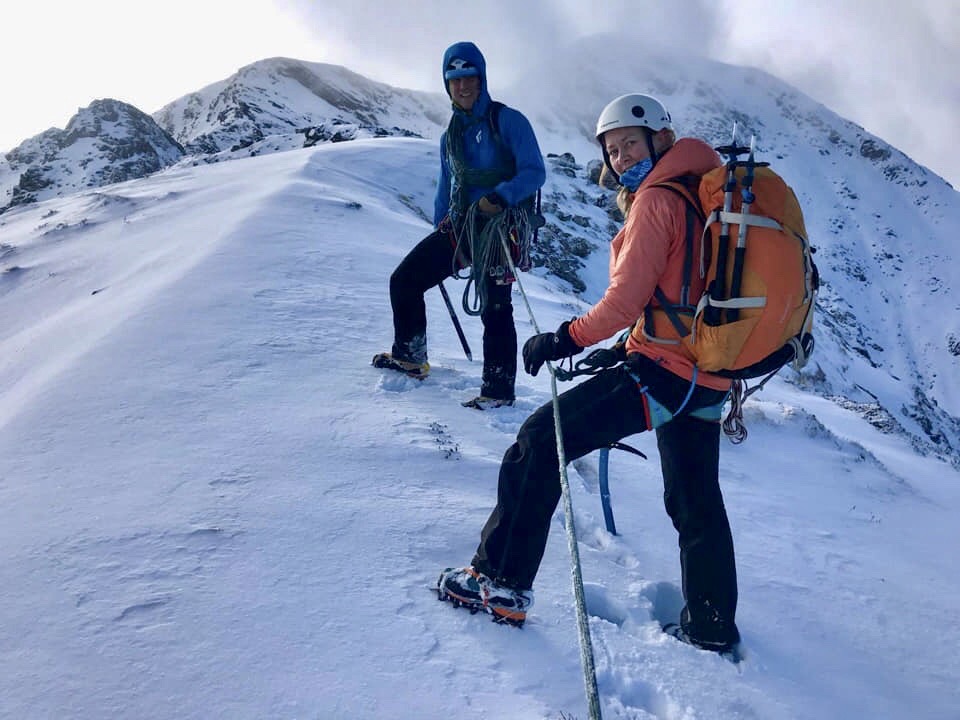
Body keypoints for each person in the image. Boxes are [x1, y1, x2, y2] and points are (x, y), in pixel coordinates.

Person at [437, 93, 742, 655]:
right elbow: (679, 288)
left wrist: (565, 339)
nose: (623, 158)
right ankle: (712, 623)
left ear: (660, 139)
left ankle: (500, 583)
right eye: (613, 150)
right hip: (709, 373)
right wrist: (625, 347)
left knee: (537, 441)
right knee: (695, 500)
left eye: (630, 144)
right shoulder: (703, 190)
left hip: (666, 374)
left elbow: (624, 299)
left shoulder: (656, 201)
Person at [372, 41, 546, 409]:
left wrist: (499, 197)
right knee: (405, 280)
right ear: (446, 85)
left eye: (469, 78)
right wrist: (440, 228)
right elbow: (446, 186)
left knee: (495, 308)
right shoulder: (449, 135)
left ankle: (498, 391)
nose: (463, 86)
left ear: (482, 79)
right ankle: (410, 356)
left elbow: (534, 171)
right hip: (460, 228)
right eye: (455, 80)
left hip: (500, 229)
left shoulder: (508, 121)